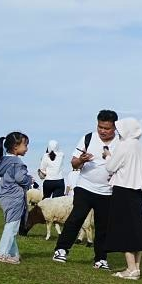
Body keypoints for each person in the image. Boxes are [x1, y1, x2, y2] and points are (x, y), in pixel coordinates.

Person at [52, 110, 119, 269]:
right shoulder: (87, 138)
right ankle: (61, 249)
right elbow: (74, 163)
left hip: (107, 191)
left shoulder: (121, 143)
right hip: (85, 186)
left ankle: (101, 259)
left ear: (115, 127)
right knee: (76, 218)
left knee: (103, 226)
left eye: (107, 128)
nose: (102, 131)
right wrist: (81, 160)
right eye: (100, 127)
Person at [104, 118, 142, 280]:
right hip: (137, 192)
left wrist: (108, 156)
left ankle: (130, 269)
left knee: (125, 230)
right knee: (137, 231)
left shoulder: (124, 146)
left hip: (123, 190)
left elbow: (110, 167)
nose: (118, 132)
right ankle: (136, 268)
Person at [0, 132, 32, 264]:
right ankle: (2, 253)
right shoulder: (17, 162)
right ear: (16, 147)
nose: (27, 148)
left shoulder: (5, 161)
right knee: (12, 226)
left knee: (11, 224)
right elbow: (20, 178)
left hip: (5, 196)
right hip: (15, 197)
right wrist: (29, 180)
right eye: (25, 145)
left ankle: (13, 253)